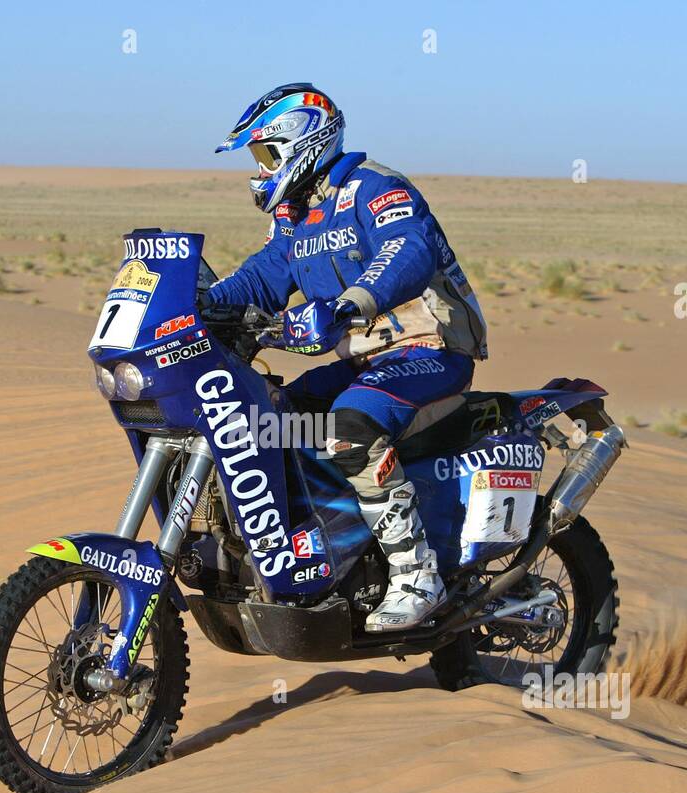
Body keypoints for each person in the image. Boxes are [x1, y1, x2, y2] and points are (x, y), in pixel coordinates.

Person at [205, 83, 487, 630]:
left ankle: (416, 573)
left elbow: (409, 249)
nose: (259, 170)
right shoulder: (297, 213)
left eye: (265, 154)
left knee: (350, 426)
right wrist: (200, 305)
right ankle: (331, 547)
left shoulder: (373, 187)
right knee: (271, 414)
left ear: (301, 143)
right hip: (367, 360)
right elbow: (265, 276)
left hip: (430, 348)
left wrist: (346, 304)